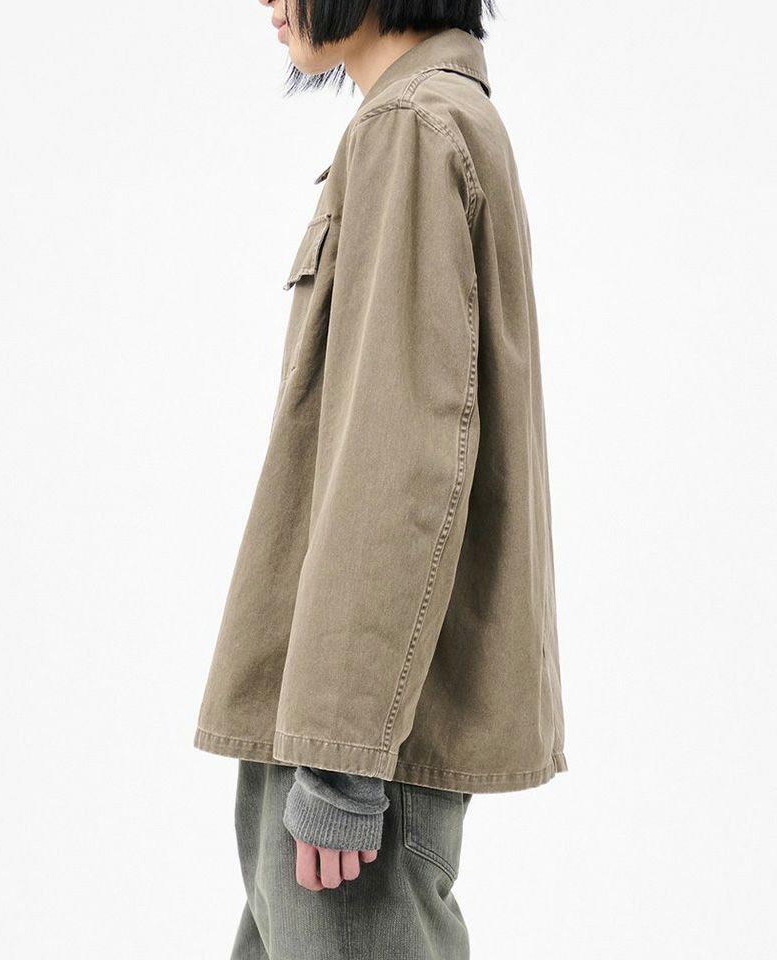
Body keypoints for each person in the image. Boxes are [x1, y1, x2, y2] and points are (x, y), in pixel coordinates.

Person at [194, 2, 567, 957]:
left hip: (356, 741)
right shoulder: (433, 120)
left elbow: (400, 459)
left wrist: (340, 760)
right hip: (341, 720)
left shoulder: (412, 129)